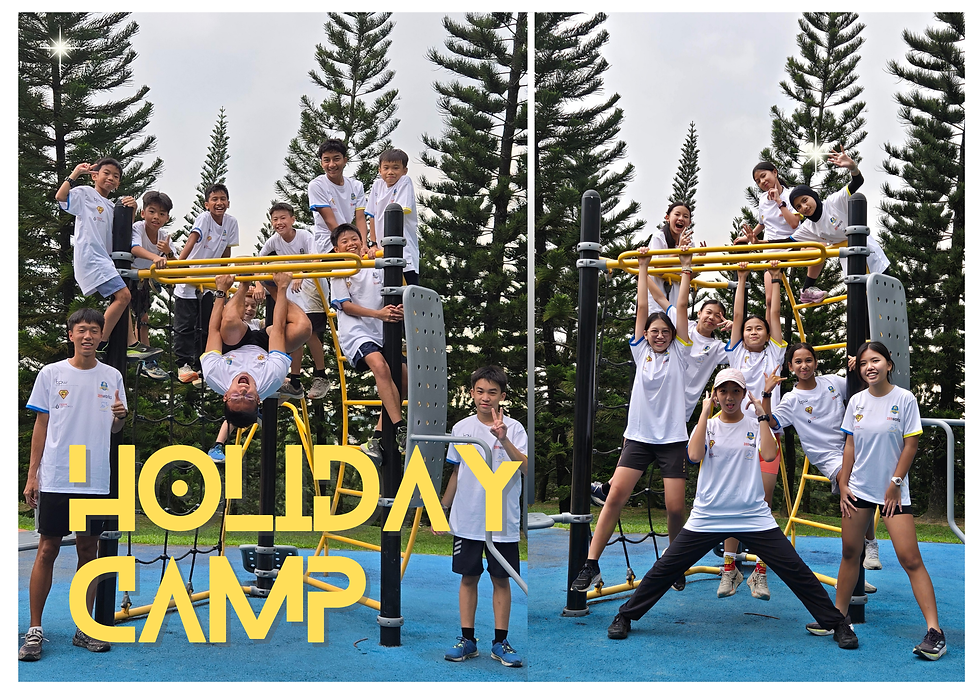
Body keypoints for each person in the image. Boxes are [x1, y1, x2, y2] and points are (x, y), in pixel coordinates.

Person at [605, 369, 858, 650]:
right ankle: (625, 616)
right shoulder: (709, 426)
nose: (729, 397)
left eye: (735, 391)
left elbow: (771, 454)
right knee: (665, 568)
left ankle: (837, 624)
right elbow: (693, 455)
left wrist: (762, 413)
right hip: (709, 515)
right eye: (723, 391)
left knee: (795, 570)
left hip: (752, 515)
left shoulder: (754, 423)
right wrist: (703, 413)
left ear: (743, 395)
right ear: (715, 395)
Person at [571, 245, 694, 593]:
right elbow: (643, 307)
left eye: (664, 332)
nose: (658, 335)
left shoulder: (680, 354)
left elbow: (681, 308)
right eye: (653, 331)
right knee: (613, 499)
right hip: (639, 438)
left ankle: (674, 561)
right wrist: (642, 267)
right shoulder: (641, 352)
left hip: (671, 440)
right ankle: (591, 564)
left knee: (674, 508)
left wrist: (686, 268)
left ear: (672, 336)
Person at [823, 341, 946, 660]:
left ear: (889, 364)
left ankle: (935, 631)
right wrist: (844, 483)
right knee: (850, 552)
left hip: (893, 492)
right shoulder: (857, 401)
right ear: (859, 370)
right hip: (859, 490)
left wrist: (895, 483)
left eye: (875, 360)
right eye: (863, 363)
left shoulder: (904, 399)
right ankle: (839, 619)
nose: (869, 367)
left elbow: (911, 446)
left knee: (910, 559)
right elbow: (849, 447)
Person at [20, 308, 129, 661]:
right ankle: (34, 630)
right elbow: (41, 425)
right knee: (47, 549)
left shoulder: (112, 376)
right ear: (71, 335)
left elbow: (115, 429)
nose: (88, 336)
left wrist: (119, 419)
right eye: (82, 330)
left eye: (94, 331)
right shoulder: (51, 374)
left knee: (88, 552)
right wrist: (32, 474)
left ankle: (84, 627)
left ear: (101, 336)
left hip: (93, 477)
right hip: (58, 474)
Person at [438, 366, 528, 668]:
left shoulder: (514, 428)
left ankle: (500, 642)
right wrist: (443, 509)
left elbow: (525, 467)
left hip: (501, 522)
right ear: (472, 393)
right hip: (468, 520)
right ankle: (467, 640)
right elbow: (457, 471)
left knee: (501, 580)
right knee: (468, 577)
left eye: (492, 392)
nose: (485, 397)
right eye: (480, 391)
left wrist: (502, 439)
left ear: (502, 396)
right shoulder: (461, 428)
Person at [762, 344, 881, 570]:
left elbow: (863, 391)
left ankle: (858, 566)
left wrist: (858, 370)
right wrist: (767, 393)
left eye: (808, 360)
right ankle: (870, 544)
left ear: (816, 363)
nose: (804, 365)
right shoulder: (792, 398)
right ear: (790, 367)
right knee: (853, 487)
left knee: (866, 487)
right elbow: (772, 421)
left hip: (851, 444)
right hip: (827, 455)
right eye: (798, 362)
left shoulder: (832, 382)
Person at [721, 259, 786, 599]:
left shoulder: (774, 354)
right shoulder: (735, 355)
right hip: (735, 435)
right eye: (748, 329)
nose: (753, 331)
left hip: (763, 433)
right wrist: (742, 278)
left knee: (762, 500)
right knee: (733, 501)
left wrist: (773, 279)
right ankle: (729, 568)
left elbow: (774, 315)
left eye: (758, 328)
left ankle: (759, 571)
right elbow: (736, 315)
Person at [329, 223, 408, 460]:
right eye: (344, 242)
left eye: (355, 239)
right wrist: (380, 315)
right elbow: (345, 305)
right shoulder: (340, 269)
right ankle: (400, 428)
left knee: (404, 378)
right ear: (336, 249)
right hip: (356, 332)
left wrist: (402, 308)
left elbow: (397, 289)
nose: (351, 244)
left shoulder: (376, 263)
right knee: (380, 367)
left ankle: (377, 436)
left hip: (381, 330)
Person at [200, 271, 311, 430]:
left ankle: (243, 285)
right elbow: (278, 330)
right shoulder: (271, 379)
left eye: (236, 397)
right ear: (258, 398)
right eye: (249, 397)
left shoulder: (214, 374)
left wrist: (221, 291)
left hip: (234, 344)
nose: (243, 390)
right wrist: (281, 288)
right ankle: (270, 286)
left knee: (229, 321)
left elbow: (214, 330)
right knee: (304, 328)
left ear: (226, 396)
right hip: (265, 347)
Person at [788, 147, 890, 303]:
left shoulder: (834, 202)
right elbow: (786, 242)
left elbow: (858, 182)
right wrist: (756, 244)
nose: (804, 207)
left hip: (867, 251)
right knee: (859, 304)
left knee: (882, 299)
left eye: (804, 200)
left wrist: (852, 167)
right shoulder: (809, 226)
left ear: (813, 196)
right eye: (798, 207)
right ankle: (806, 291)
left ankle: (806, 290)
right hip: (849, 260)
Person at [54, 158, 137, 348]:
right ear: (94, 176)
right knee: (124, 296)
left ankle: (131, 342)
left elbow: (123, 232)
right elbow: (60, 197)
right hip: (92, 257)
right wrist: (75, 173)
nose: (111, 178)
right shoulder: (85, 193)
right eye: (106, 173)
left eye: (116, 176)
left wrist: (133, 209)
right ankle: (99, 342)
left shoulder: (111, 206)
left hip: (104, 259)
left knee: (122, 298)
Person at [258, 202, 328, 400]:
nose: (279, 223)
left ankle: (321, 375)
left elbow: (316, 260)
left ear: (292, 219)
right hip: (294, 290)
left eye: (283, 218)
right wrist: (256, 283)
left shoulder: (304, 236)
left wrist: (301, 272)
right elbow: (257, 260)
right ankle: (295, 381)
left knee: (311, 333)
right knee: (296, 332)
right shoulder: (274, 241)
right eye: (275, 219)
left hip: (312, 287)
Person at [174, 183, 239, 384]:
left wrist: (223, 274)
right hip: (191, 277)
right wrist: (179, 266)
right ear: (206, 204)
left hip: (210, 280)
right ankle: (182, 365)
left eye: (222, 199)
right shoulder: (204, 218)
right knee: (186, 324)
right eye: (214, 199)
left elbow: (226, 252)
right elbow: (192, 240)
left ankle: (201, 366)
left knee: (206, 324)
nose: (219, 203)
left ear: (228, 202)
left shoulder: (231, 222)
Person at [735, 161, 803, 308]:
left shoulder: (791, 195)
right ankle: (769, 331)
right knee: (770, 300)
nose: (762, 182)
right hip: (772, 249)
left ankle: (808, 288)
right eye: (758, 181)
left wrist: (779, 201)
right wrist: (747, 238)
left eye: (763, 176)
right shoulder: (762, 200)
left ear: (775, 172)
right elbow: (763, 223)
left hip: (792, 245)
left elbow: (794, 224)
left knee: (818, 248)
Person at [208, 291, 264, 464]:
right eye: (245, 305)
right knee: (235, 413)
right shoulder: (232, 326)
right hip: (238, 370)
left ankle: (260, 413)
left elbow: (274, 323)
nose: (249, 309)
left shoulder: (256, 323)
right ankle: (217, 444)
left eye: (253, 306)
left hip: (252, 373)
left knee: (242, 409)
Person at [130, 190, 177, 380]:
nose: (156, 217)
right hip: (132, 274)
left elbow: (175, 261)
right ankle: (143, 356)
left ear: (166, 218)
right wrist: (157, 257)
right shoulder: (138, 228)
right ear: (143, 213)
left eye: (162, 213)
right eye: (152, 211)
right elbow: (134, 248)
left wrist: (167, 253)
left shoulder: (164, 236)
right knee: (140, 316)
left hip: (143, 276)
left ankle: (147, 359)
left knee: (143, 317)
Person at [365, 148, 420, 285]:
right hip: (383, 250)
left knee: (407, 292)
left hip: (403, 248)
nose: (390, 172)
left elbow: (400, 210)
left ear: (404, 170)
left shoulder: (404, 181)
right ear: (380, 170)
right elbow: (372, 215)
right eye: (386, 168)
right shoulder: (377, 185)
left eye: (396, 168)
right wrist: (373, 244)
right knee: (386, 291)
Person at [644, 201, 693, 307]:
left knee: (675, 321)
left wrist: (700, 262)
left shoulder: (689, 243)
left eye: (685, 216)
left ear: (689, 222)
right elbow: (658, 270)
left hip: (676, 296)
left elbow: (690, 276)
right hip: (656, 295)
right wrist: (678, 251)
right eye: (677, 214)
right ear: (667, 218)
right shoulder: (659, 237)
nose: (681, 218)